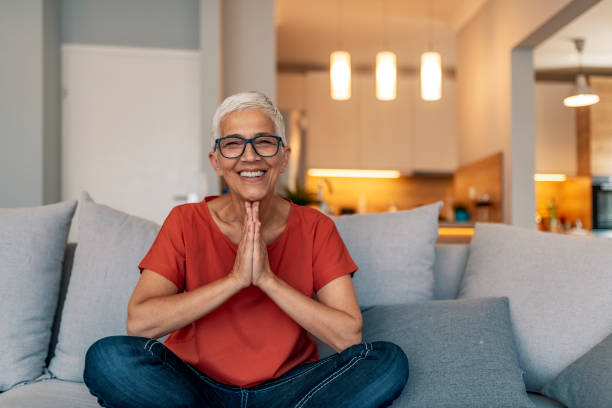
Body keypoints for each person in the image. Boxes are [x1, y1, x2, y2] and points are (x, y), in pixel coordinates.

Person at [83, 91, 409, 408]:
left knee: (386, 360)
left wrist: (267, 280)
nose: (249, 156)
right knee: (108, 357)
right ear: (217, 161)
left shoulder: (316, 227)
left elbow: (348, 336)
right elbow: (140, 323)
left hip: (288, 388)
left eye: (264, 142)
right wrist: (235, 279)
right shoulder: (185, 221)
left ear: (283, 157)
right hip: (195, 385)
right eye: (233, 144)